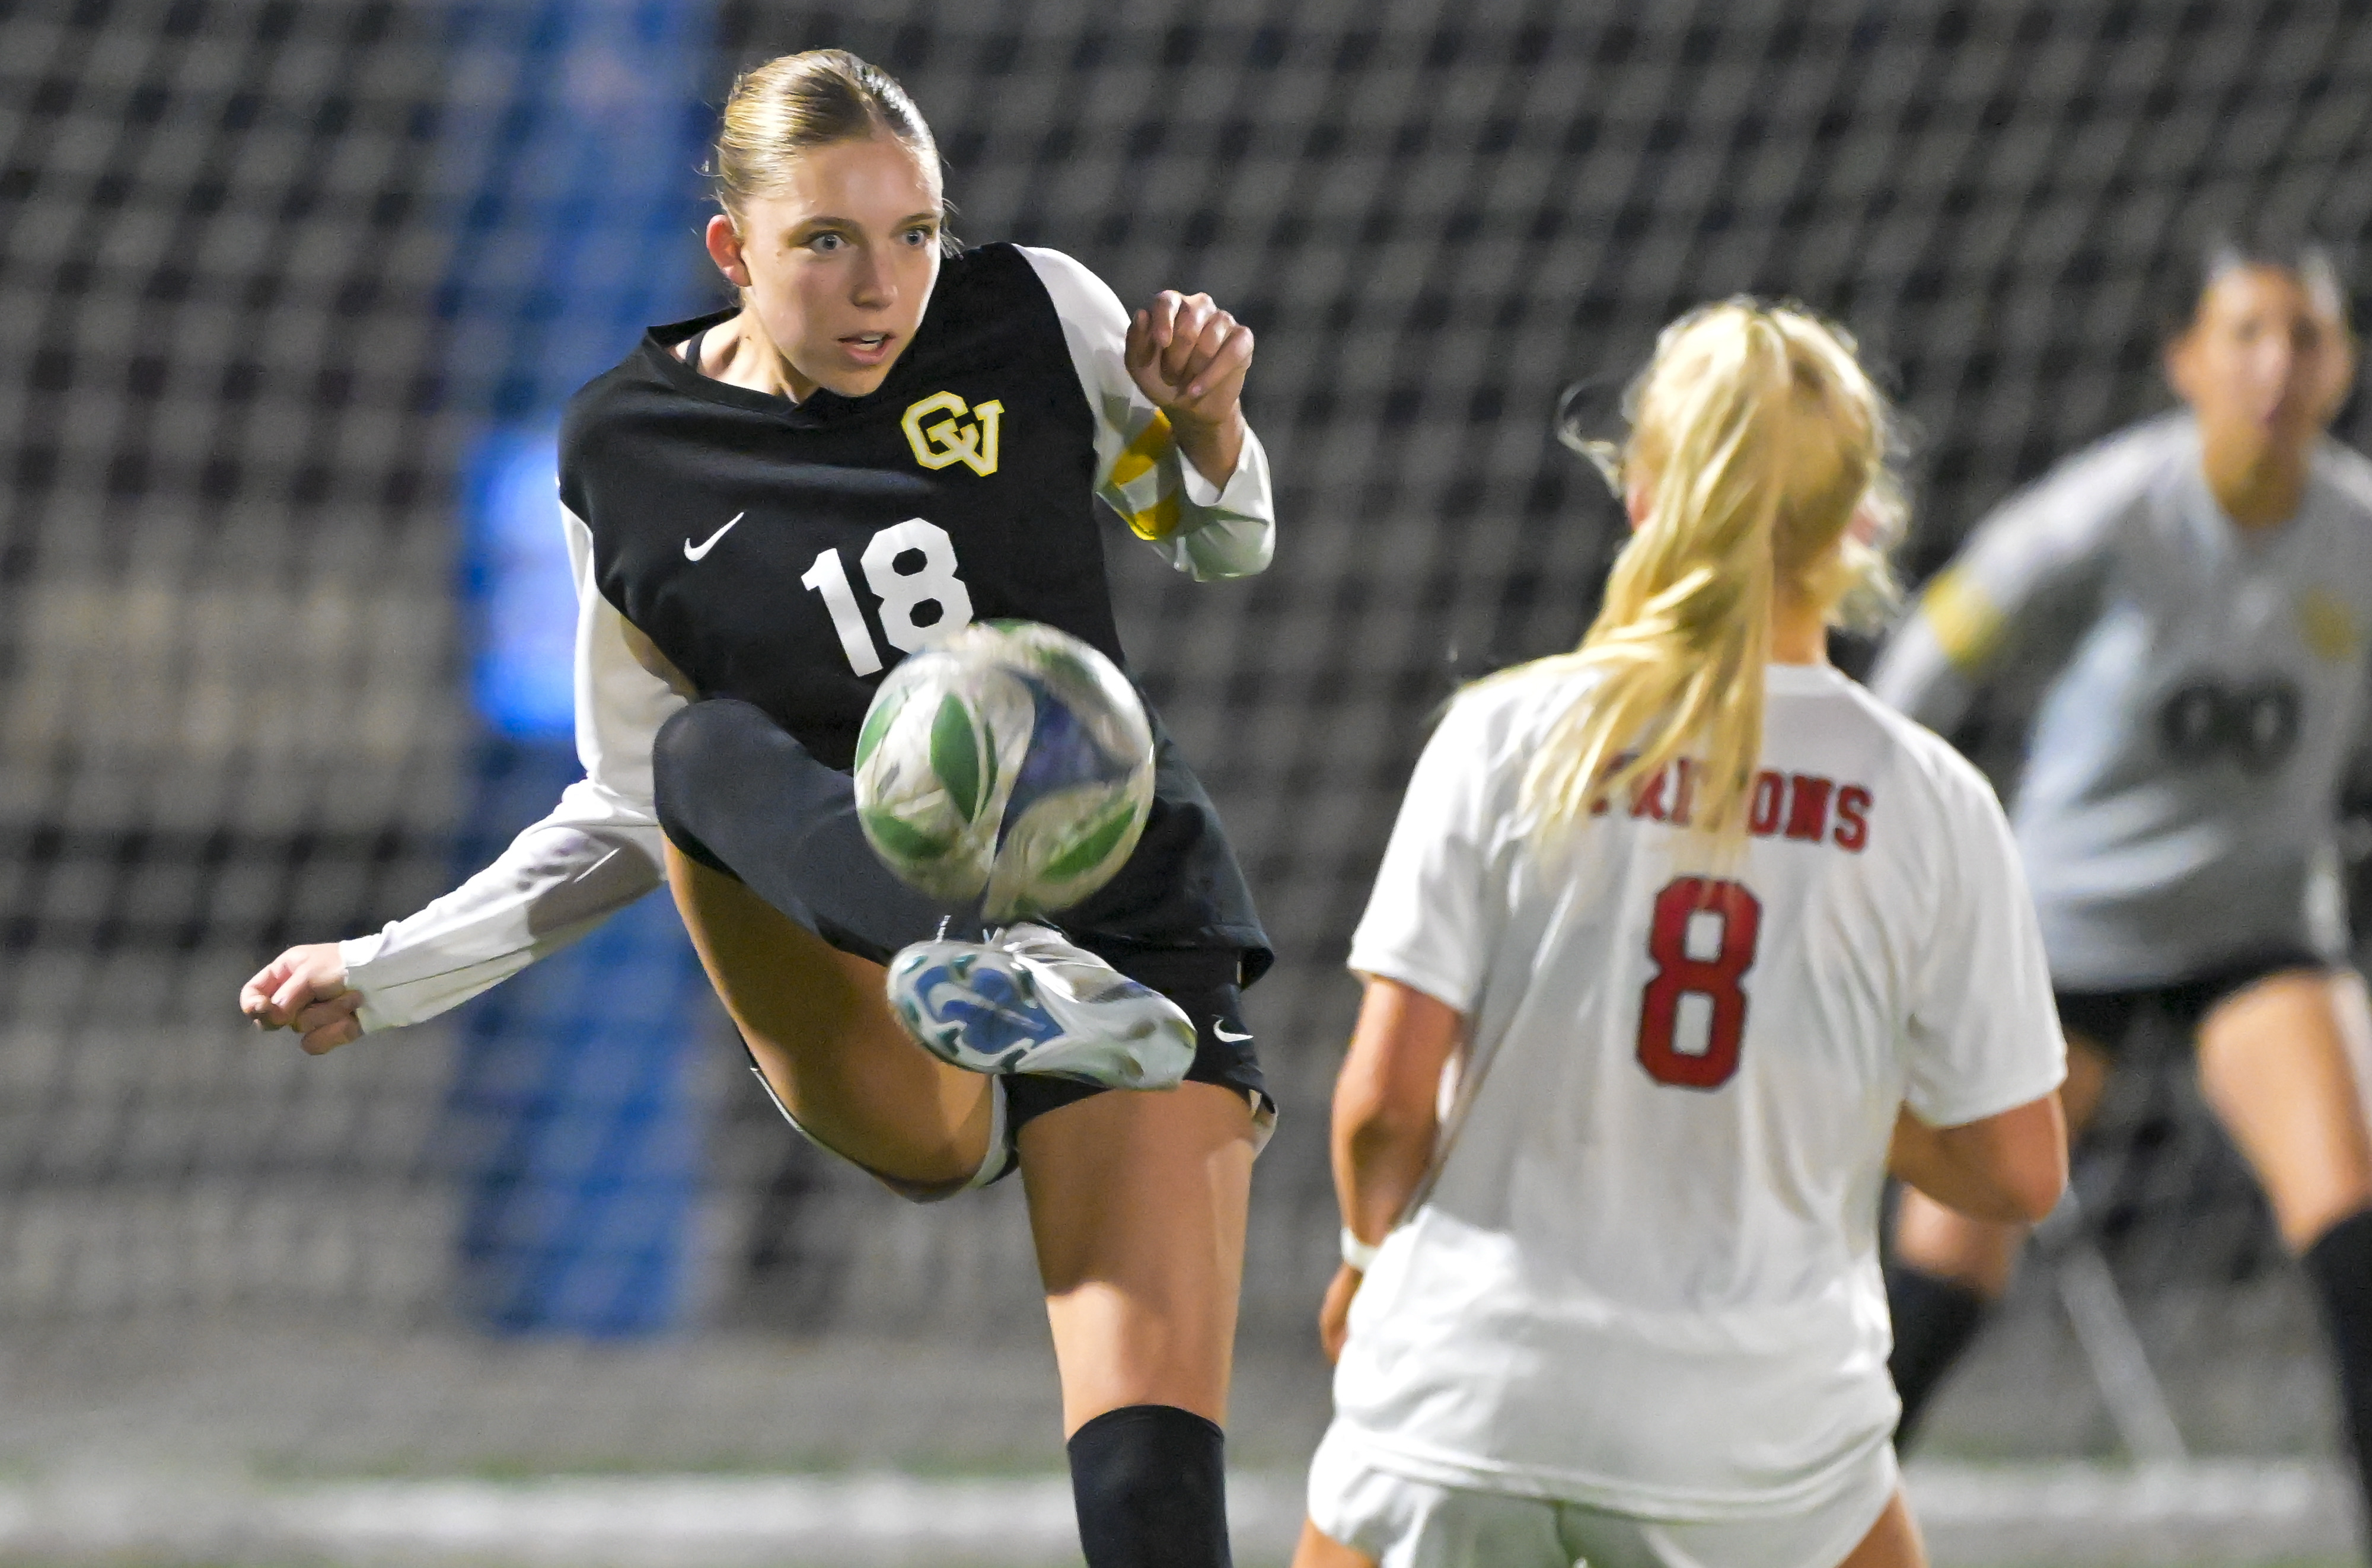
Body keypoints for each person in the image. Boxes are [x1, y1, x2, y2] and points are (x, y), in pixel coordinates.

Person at [241, 49, 1274, 1568]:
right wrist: (388, 972)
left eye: (914, 233)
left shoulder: (1033, 312)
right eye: (827, 242)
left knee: (1147, 1503)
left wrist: (1207, 431)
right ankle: (969, 960)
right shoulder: (629, 449)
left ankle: (1037, 980)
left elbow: (1225, 549)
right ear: (733, 249)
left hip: (1126, 932)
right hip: (878, 985)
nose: (884, 287)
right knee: (701, 751)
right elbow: (622, 804)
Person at [1292, 300, 2070, 1568]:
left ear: (1642, 491)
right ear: (1857, 521)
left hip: (1470, 1389)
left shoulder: (1503, 734)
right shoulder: (1928, 800)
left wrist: (1362, 1258)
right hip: (1757, 1441)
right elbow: (2017, 1170)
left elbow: (1380, 1101)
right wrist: (1831, 1090)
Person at [1870, 232, 2372, 1530]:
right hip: (2061, 934)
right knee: (1935, 1286)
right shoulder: (2107, 510)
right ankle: (1794, 1538)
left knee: (2357, 1231)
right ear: (2184, 360)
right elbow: (1933, 647)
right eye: (2244, 334)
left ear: (2342, 364)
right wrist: (1872, 829)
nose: (2274, 364)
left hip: (2253, 931)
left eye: (2302, 337)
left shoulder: (2355, 535)